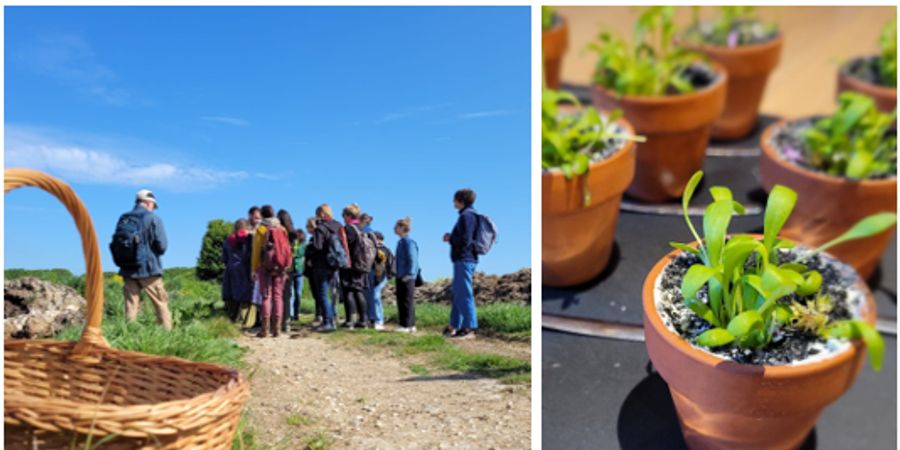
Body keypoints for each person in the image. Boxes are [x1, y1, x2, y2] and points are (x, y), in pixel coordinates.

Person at [111, 189, 172, 330]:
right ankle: (167, 336)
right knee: (161, 303)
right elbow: (162, 246)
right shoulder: (153, 218)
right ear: (147, 202)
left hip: (127, 268)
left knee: (131, 306)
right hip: (149, 269)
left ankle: (129, 336)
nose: (153, 208)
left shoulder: (123, 218)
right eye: (152, 204)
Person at [443, 188, 479, 339]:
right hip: (464, 259)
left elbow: (465, 240)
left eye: (454, 199)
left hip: (464, 259)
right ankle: (455, 326)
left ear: (460, 200)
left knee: (464, 293)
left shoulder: (466, 216)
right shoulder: (469, 215)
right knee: (458, 293)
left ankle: (469, 328)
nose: (453, 202)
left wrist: (449, 238)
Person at [250, 205, 290, 338]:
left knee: (266, 296)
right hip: (280, 267)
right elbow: (286, 249)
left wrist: (254, 268)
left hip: (264, 267)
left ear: (262, 215)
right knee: (278, 296)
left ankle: (265, 329)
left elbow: (256, 251)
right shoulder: (282, 228)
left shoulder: (260, 229)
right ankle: (277, 329)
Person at [309, 204, 344, 332]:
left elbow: (317, 246)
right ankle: (333, 319)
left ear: (321, 214)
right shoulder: (338, 226)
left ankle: (328, 322)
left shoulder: (321, 228)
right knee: (333, 293)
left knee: (323, 294)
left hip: (321, 264)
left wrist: (310, 250)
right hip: (335, 264)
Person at [340, 203, 370, 329]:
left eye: (343, 215)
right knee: (359, 291)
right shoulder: (361, 228)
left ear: (348, 215)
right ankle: (363, 320)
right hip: (361, 264)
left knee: (348, 292)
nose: (343, 218)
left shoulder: (349, 229)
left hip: (350, 264)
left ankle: (349, 320)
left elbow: (346, 248)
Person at [222, 219, 252, 323]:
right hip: (245, 269)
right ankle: (244, 320)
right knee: (246, 295)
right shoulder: (249, 238)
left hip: (231, 270)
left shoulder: (228, 240)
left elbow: (224, 259)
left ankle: (232, 319)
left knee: (231, 294)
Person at [394, 217, 419, 333]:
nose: (395, 229)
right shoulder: (401, 242)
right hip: (400, 275)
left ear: (403, 228)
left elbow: (412, 259)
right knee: (402, 300)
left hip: (406, 277)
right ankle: (410, 324)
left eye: (397, 227)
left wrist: (409, 274)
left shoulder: (409, 242)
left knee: (406, 301)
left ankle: (406, 325)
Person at [366, 231, 393, 330]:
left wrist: (389, 275)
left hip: (380, 276)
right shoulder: (383, 250)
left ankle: (378, 320)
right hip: (376, 276)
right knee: (371, 297)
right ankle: (371, 319)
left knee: (375, 297)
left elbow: (389, 264)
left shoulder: (382, 250)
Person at [277, 209, 297, 333]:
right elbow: (294, 253)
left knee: (277, 295)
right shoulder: (293, 235)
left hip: (277, 267)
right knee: (287, 296)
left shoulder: (277, 232)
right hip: (289, 267)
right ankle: (287, 323)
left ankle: (276, 322)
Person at [304, 217, 322, 326]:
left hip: (316, 269)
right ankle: (319, 314)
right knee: (317, 293)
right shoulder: (312, 239)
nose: (307, 228)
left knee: (319, 293)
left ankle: (320, 315)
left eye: (308, 226)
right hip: (312, 270)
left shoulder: (315, 239)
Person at [291, 229, 307, 322]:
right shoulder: (292, 244)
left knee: (298, 293)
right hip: (292, 269)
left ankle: (296, 313)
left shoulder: (304, 245)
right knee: (291, 294)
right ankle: (291, 314)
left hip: (300, 270)